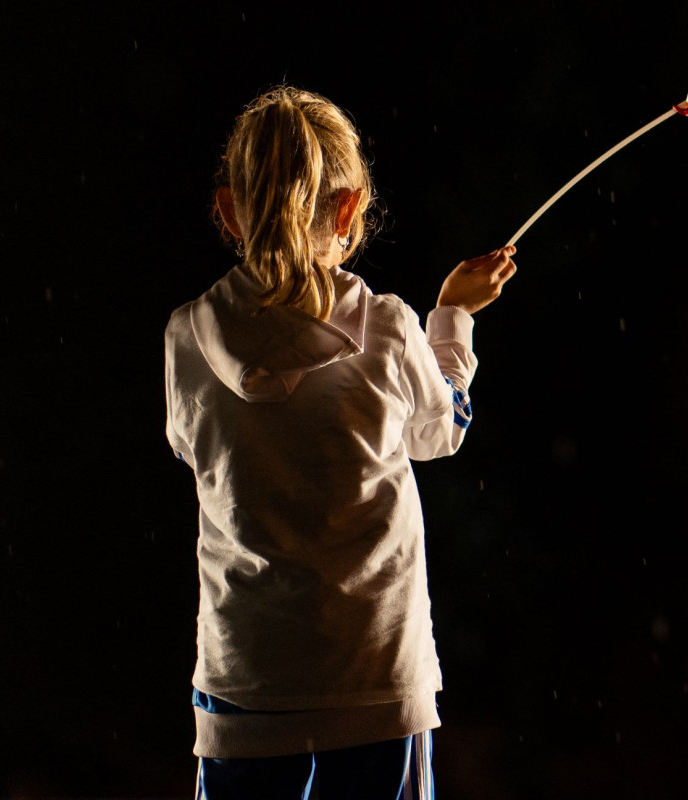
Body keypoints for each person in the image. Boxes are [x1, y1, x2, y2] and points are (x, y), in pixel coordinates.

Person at [164, 86, 516, 799]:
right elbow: (440, 430)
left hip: (244, 683)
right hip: (376, 682)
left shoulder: (186, 337)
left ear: (228, 209)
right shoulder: (388, 328)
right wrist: (449, 319)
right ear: (351, 210)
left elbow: (189, 447)